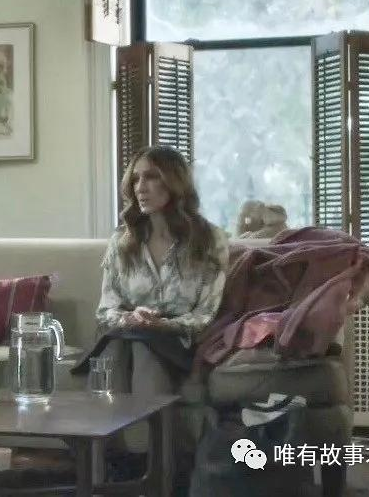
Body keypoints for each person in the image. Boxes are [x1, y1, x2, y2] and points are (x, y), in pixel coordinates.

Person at [86, 145, 229, 487]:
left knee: (143, 347)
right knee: (115, 349)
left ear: (174, 183)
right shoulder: (123, 241)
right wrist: (133, 317)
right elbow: (106, 310)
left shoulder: (209, 240)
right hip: (126, 335)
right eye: (135, 179)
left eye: (151, 177)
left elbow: (206, 314)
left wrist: (163, 324)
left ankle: (150, 472)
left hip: (179, 341)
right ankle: (103, 475)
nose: (141, 187)